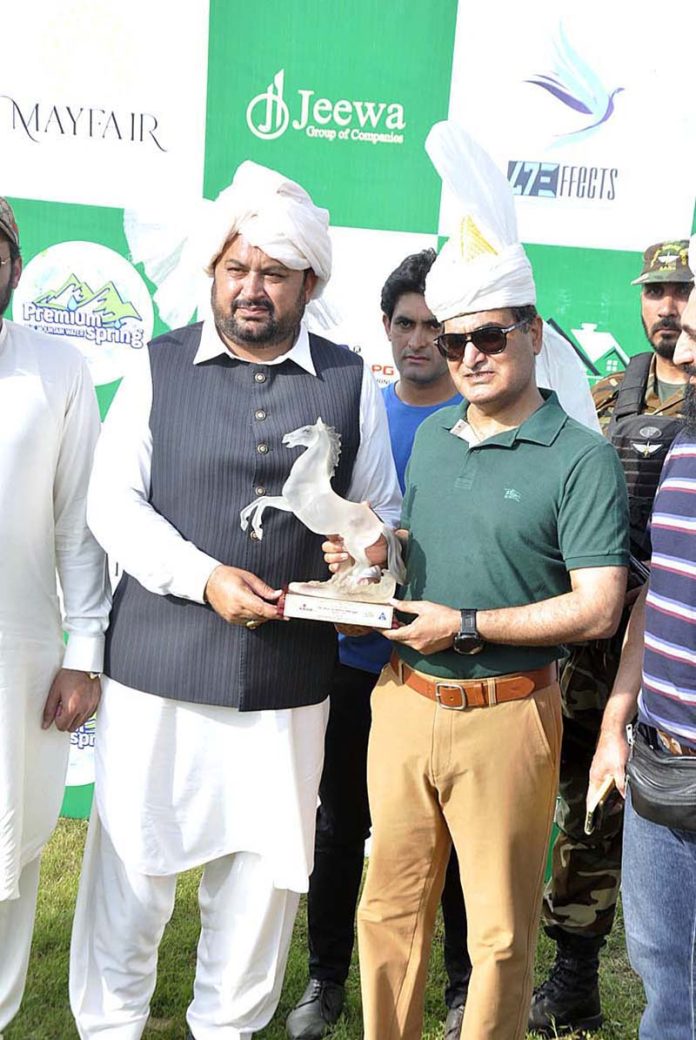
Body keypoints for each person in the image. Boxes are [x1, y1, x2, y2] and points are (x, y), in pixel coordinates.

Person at [68, 161, 401, 1040]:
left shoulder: (348, 380)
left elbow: (385, 515)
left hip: (287, 689)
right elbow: (112, 504)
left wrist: (365, 544)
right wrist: (202, 576)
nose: (252, 290)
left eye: (274, 273)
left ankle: (230, 1028)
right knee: (132, 879)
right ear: (213, 273)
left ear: (310, 283)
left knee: (260, 890)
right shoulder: (157, 367)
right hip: (157, 673)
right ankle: (110, 1029)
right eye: (236, 269)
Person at [341, 121, 629, 1040]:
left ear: (533, 333)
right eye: (454, 337)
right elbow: (419, 543)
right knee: (385, 913)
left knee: (500, 938)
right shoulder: (428, 437)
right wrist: (375, 557)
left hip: (507, 717)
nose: (467, 354)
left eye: (489, 335)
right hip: (403, 702)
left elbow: (597, 606)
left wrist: (465, 622)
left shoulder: (579, 458)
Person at [286, 248, 471, 1040]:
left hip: (445, 666)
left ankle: (465, 988)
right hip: (358, 664)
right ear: (386, 328)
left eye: (436, 325)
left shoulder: (482, 418)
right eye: (406, 323)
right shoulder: (363, 411)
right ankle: (324, 982)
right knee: (338, 825)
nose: (420, 339)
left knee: (461, 839)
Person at [531, 240, 693, 1035]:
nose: (670, 306)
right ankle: (575, 974)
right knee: (583, 802)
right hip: (594, 635)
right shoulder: (602, 396)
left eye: (683, 290)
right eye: (657, 290)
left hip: (667, 640)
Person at [0, 197, 109, 1037]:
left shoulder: (57, 369)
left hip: (19, 657)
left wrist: (86, 651)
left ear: (13, 262)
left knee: (12, 850)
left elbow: (80, 526)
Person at [588, 242, 696, 1039]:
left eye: (690, 306)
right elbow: (658, 587)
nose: (680, 343)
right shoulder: (673, 444)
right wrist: (615, 722)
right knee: (666, 985)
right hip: (654, 748)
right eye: (662, 298)